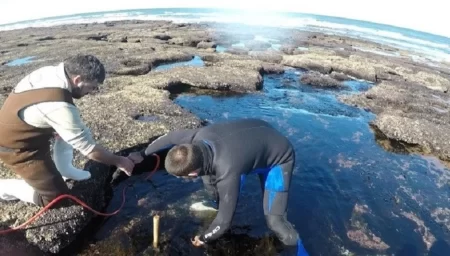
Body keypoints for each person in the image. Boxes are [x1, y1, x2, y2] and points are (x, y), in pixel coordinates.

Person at [128, 118, 309, 256]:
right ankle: (216, 202)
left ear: (190, 174)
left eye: (181, 176)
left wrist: (204, 238)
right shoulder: (195, 138)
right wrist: (142, 154)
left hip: (278, 155)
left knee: (275, 222)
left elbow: (224, 223)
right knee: (208, 179)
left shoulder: (227, 172)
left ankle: (300, 250)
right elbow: (168, 138)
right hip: (254, 135)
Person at [0, 54, 134, 208]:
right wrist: (119, 161)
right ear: (77, 80)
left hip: (27, 128)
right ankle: (3, 188)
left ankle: (65, 170)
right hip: (16, 146)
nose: (92, 91)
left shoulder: (52, 72)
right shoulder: (59, 106)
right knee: (57, 199)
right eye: (92, 87)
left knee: (71, 130)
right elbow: (89, 149)